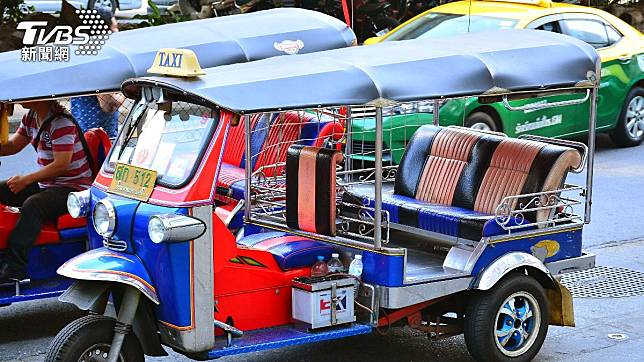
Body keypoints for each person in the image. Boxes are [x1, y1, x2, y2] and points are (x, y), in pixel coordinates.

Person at [0, 100, 92, 283]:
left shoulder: (61, 123)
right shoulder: (31, 116)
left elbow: (61, 165)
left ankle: (14, 267)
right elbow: (12, 146)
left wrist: (25, 180)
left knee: (33, 205)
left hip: (73, 189)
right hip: (48, 185)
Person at [71, 6, 123, 138]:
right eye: (114, 28)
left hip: (82, 133)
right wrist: (131, 91)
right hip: (98, 140)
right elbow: (108, 105)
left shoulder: (82, 56)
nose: (118, 32)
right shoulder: (99, 61)